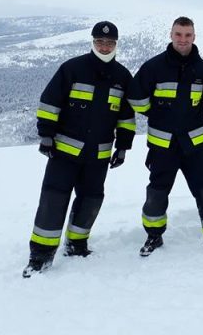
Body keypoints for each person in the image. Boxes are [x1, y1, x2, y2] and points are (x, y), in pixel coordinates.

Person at [23, 21, 136, 278]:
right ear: (92, 42)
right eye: (100, 41)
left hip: (99, 155)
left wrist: (123, 147)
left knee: (91, 200)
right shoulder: (72, 69)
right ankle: (40, 255)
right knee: (53, 201)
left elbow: (126, 117)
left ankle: (77, 244)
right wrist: (46, 136)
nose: (104, 46)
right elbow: (50, 103)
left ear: (116, 45)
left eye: (109, 43)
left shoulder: (122, 76)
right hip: (64, 152)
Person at [127, 16, 203, 256]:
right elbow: (136, 98)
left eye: (187, 35)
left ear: (194, 37)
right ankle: (153, 236)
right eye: (178, 34)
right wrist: (156, 114)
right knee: (157, 192)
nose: (183, 39)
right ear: (171, 35)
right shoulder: (154, 67)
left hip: (195, 143)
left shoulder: (202, 69)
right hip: (162, 144)